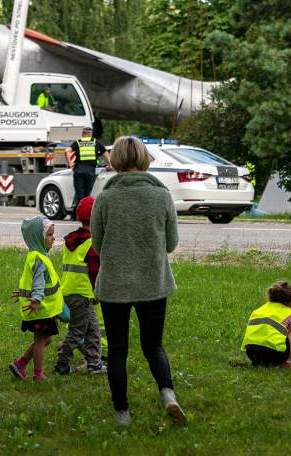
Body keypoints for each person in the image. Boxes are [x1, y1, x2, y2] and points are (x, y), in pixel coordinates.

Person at [90, 135, 185, 427]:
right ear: (144, 158)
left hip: (114, 286)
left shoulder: (105, 197)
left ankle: (122, 413)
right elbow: (171, 244)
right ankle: (167, 394)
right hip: (153, 284)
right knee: (153, 345)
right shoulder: (162, 196)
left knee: (117, 351)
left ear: (115, 160)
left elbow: (97, 244)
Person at [55, 196, 107, 375]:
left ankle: (94, 363)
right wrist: (97, 292)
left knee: (92, 329)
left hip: (69, 291)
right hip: (83, 294)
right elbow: (94, 272)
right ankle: (62, 364)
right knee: (77, 332)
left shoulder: (70, 241)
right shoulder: (92, 243)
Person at [10, 216, 64, 383]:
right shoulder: (39, 259)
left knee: (46, 339)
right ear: (38, 238)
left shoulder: (36, 255)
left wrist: (23, 293)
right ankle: (38, 375)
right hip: (40, 308)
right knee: (41, 340)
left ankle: (20, 363)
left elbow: (31, 280)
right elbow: (39, 283)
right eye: (49, 235)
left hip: (39, 307)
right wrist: (36, 299)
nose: (53, 237)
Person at [240, 281, 291, 368]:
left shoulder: (258, 310)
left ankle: (260, 363)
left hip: (252, 353)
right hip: (273, 355)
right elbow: (290, 333)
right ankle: (287, 362)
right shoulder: (289, 313)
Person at [66, 127, 110, 218]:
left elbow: (67, 150)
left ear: (83, 134)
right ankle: (83, 215)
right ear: (90, 134)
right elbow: (106, 153)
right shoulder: (95, 142)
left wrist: (70, 163)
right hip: (90, 171)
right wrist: (110, 165)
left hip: (79, 170)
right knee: (87, 195)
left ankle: (77, 215)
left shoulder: (78, 142)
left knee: (79, 194)